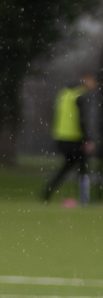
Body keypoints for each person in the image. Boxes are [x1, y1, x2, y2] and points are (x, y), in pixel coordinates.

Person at [43, 72, 97, 205]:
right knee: (83, 166)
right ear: (87, 80)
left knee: (68, 166)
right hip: (75, 138)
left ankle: (47, 191)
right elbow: (82, 120)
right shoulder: (80, 96)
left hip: (61, 138)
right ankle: (85, 200)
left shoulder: (65, 93)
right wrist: (87, 140)